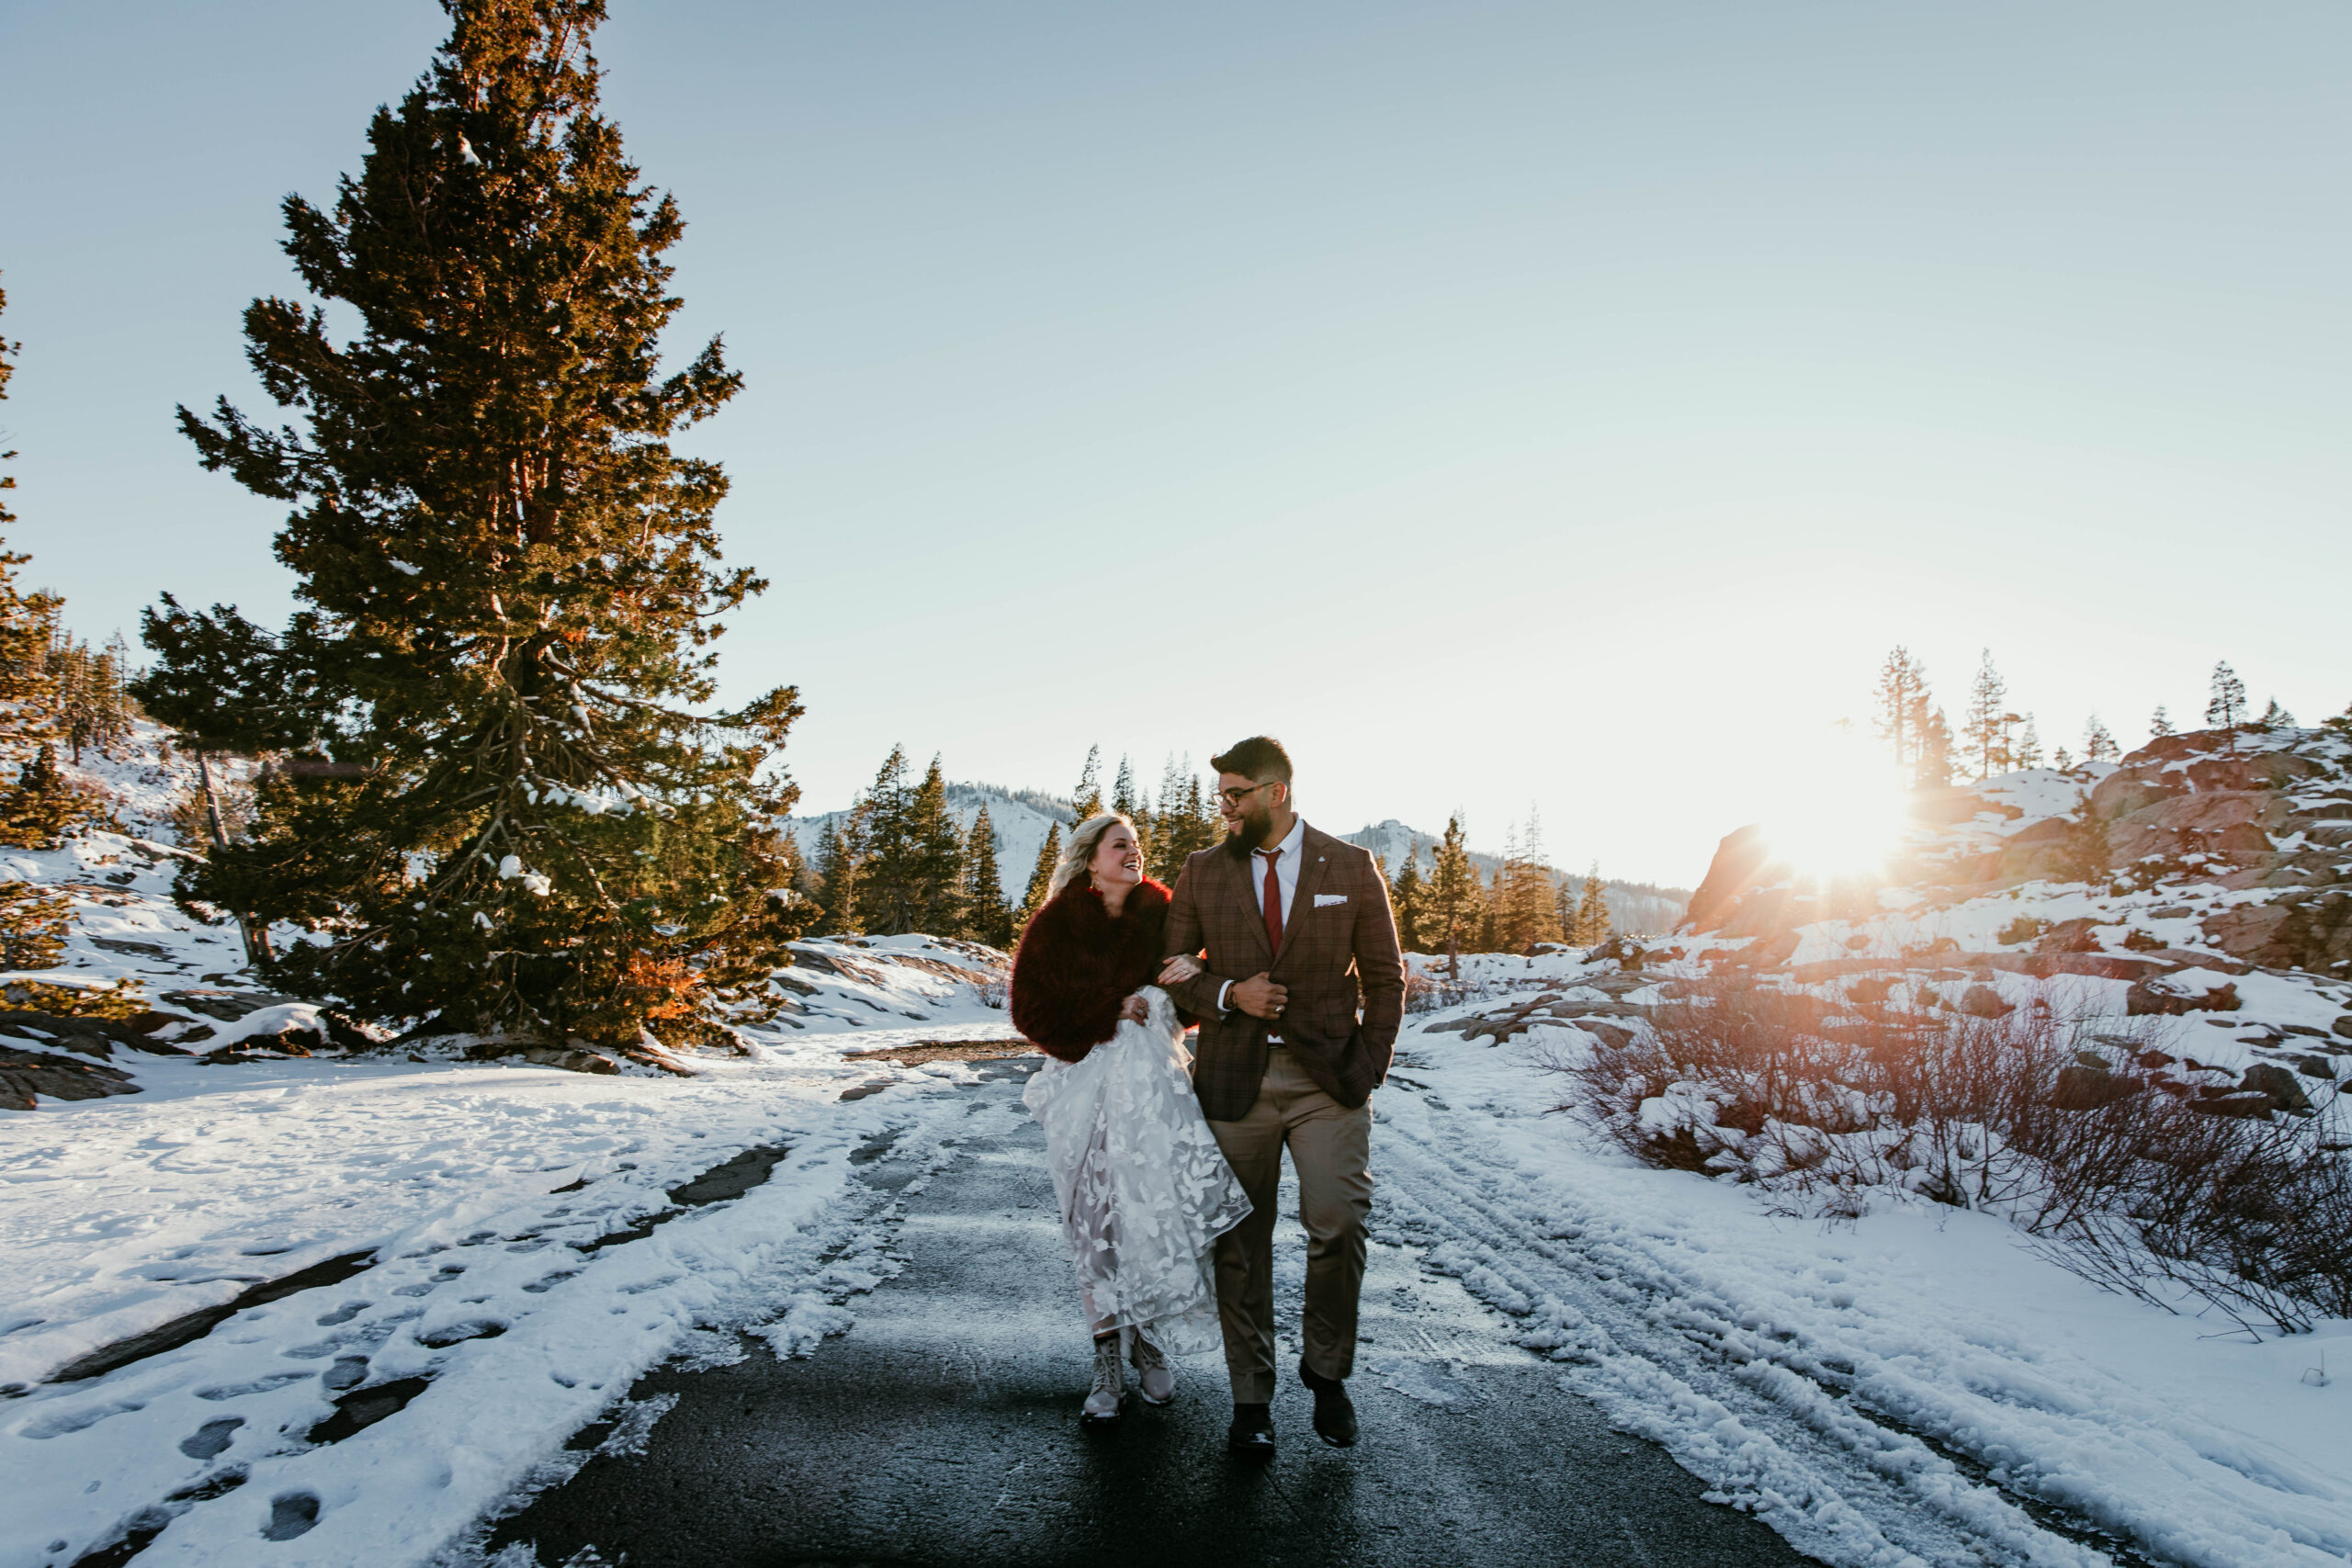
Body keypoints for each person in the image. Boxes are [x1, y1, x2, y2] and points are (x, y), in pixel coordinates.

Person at [1156, 736, 1405, 1457]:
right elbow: (1167, 967)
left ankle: (1326, 1372)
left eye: (1236, 794)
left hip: (1329, 1081)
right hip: (1235, 1079)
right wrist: (1231, 992)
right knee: (1240, 1241)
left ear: (1277, 791)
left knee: (1339, 1222)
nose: (1224, 807)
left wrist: (1369, 1064)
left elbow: (1387, 978)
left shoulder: (1352, 867)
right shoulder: (1202, 871)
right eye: (1220, 795)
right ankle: (1251, 1398)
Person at [1010, 812, 1254, 1426]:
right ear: (1091, 858)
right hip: (1082, 1091)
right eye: (1122, 845)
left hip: (1152, 1092)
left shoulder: (1163, 913)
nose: (1134, 853)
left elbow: (1190, 993)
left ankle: (1146, 1338)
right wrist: (1107, 1009)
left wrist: (1179, 987)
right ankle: (1106, 1363)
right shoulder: (1058, 923)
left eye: (1138, 845)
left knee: (1150, 1209)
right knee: (1095, 1225)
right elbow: (1029, 1009)